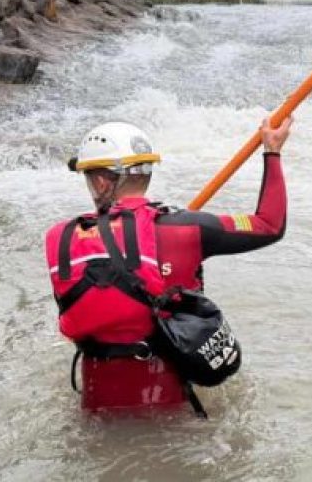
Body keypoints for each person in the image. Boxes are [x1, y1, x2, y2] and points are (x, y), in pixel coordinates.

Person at [44, 115, 292, 413]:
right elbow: (269, 224)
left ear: (100, 181)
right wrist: (272, 151)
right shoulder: (189, 228)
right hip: (171, 402)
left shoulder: (68, 239)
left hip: (98, 405)